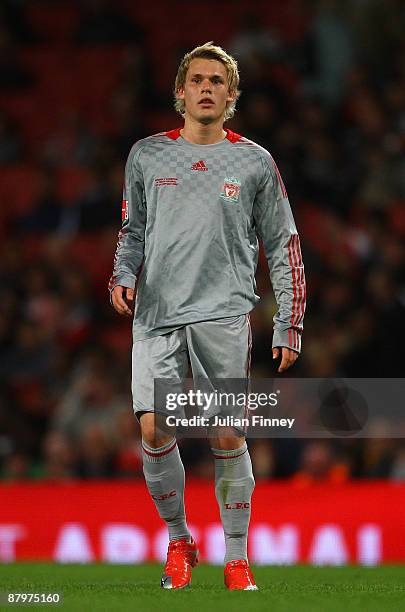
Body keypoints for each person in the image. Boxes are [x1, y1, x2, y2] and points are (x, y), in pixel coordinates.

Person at [109, 42, 306, 590]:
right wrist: (123, 274)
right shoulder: (146, 155)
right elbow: (131, 233)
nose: (206, 88)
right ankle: (179, 540)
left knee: (225, 434)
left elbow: (283, 244)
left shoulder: (254, 162)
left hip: (223, 314)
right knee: (153, 427)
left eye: (218, 81)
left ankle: (237, 557)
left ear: (232, 96)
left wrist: (289, 321)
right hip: (157, 315)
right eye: (197, 79)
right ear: (179, 92)